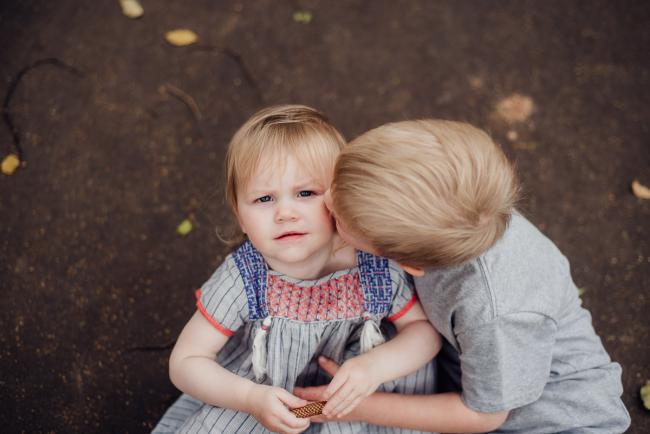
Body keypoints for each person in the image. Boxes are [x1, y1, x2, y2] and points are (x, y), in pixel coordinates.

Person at [295, 119, 631, 433]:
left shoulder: (494, 313)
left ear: (410, 266)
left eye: (337, 218)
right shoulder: (452, 209)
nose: (323, 198)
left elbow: (483, 415)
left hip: (549, 423)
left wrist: (357, 407)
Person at [152, 105, 441, 434]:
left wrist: (375, 367)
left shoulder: (372, 264)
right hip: (265, 400)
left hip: (357, 400)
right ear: (239, 215)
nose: (285, 212)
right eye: (264, 199)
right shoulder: (246, 276)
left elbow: (423, 332)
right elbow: (186, 361)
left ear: (339, 197)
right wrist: (250, 397)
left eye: (306, 193)